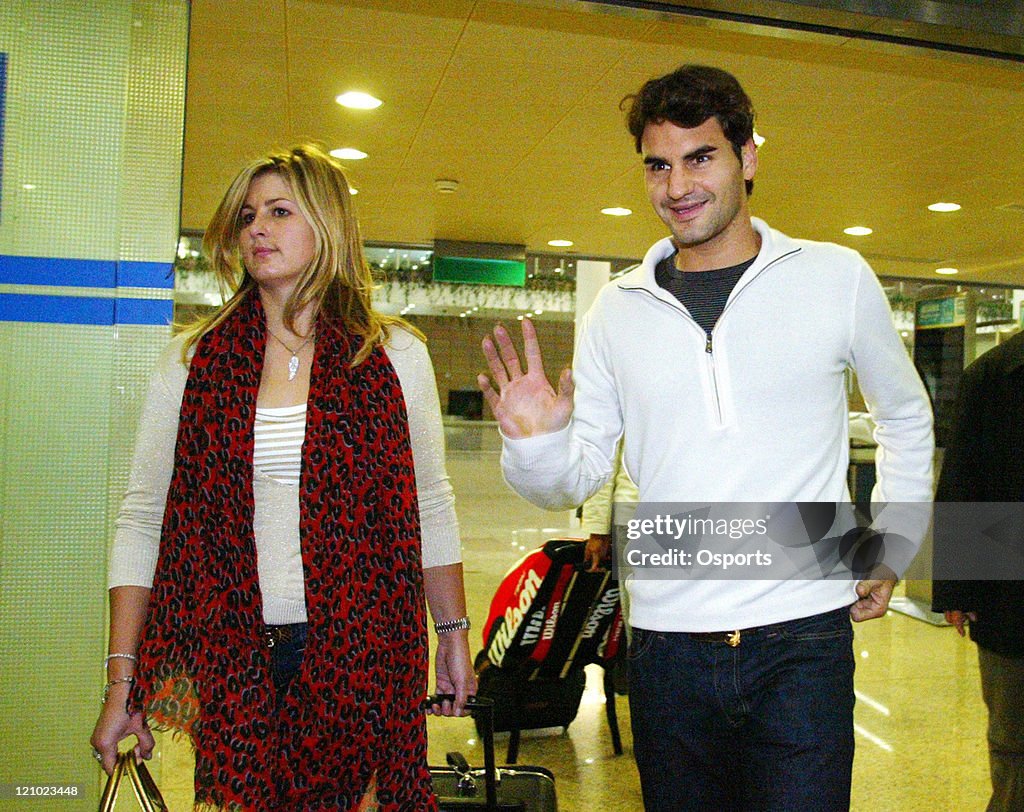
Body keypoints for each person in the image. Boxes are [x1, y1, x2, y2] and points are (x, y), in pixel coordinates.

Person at [478, 65, 934, 810]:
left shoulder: (833, 277)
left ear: (748, 157)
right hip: (666, 645)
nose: (677, 185)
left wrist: (896, 541)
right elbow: (575, 475)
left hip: (802, 638)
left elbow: (906, 415)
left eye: (701, 157)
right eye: (658, 164)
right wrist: (537, 443)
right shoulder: (616, 311)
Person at [90, 144, 476, 810]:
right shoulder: (192, 363)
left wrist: (453, 635)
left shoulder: (390, 357)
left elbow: (430, 508)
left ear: (326, 224)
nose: (256, 230)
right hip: (231, 649)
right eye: (245, 216)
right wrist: (122, 677)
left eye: (277, 211)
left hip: (355, 650)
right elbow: (142, 517)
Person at [932, 329, 1024, 812]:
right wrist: (958, 589)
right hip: (1012, 598)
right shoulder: (994, 375)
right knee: (1014, 739)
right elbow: (964, 481)